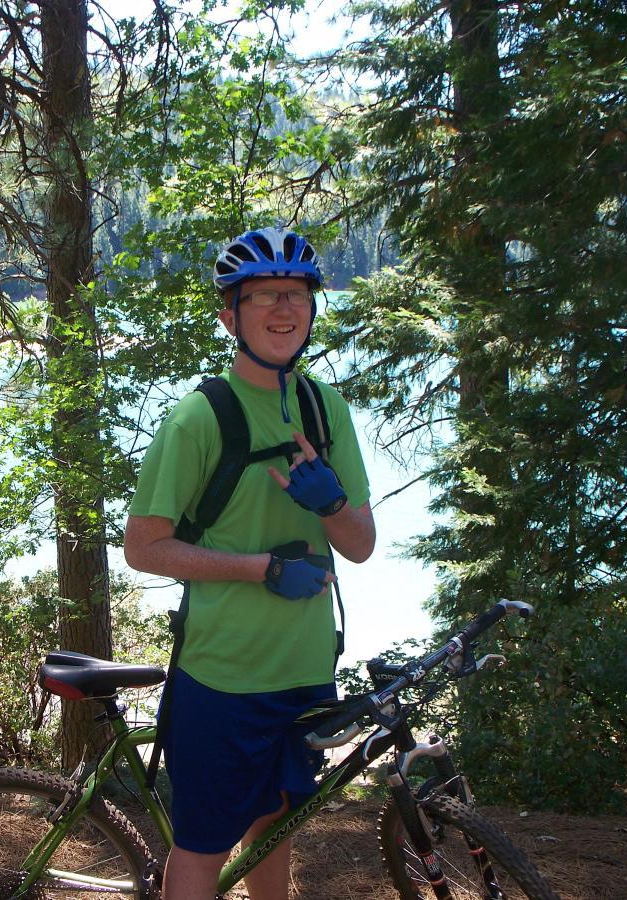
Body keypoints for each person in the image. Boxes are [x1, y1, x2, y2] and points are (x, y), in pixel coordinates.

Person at [124, 227, 376, 900]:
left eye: (293, 294)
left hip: (305, 671)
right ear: (229, 314)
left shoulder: (327, 409)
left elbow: (360, 545)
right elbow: (143, 547)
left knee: (274, 833)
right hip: (223, 676)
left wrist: (331, 505)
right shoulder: (199, 420)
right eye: (262, 295)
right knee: (202, 850)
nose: (282, 309)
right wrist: (260, 567)